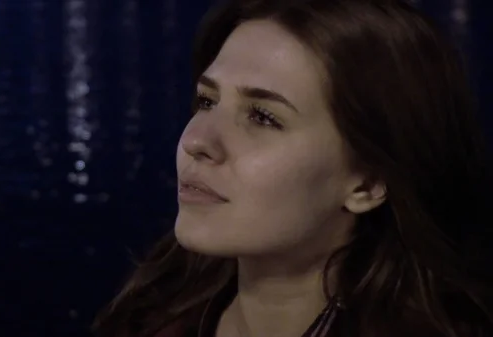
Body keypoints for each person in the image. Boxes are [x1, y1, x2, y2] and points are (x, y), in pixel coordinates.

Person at [94, 0, 493, 336]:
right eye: (206, 101)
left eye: (263, 117)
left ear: (368, 184)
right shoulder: (149, 313)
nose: (196, 141)